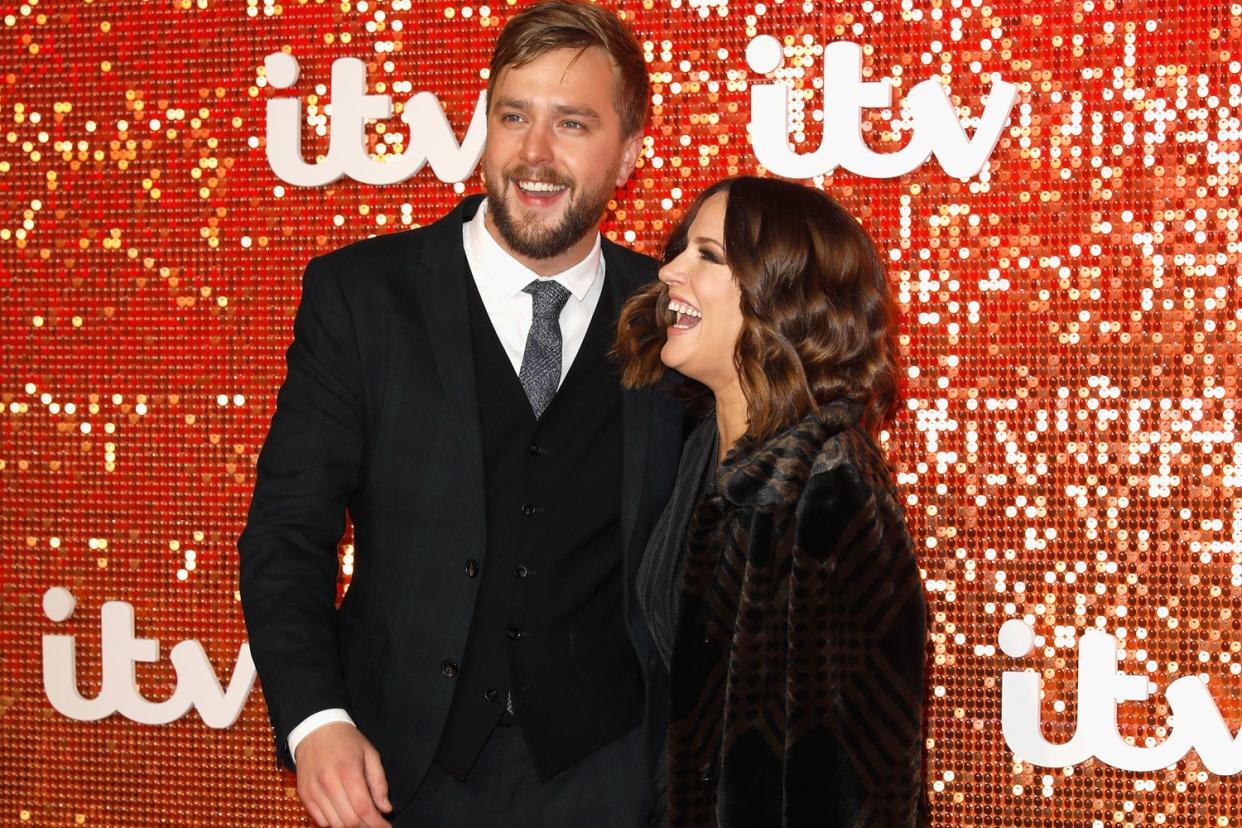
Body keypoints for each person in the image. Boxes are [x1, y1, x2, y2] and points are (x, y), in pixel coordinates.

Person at [237, 3, 684, 826]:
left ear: (630, 152)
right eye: (513, 115)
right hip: (401, 772)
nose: (535, 154)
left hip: (612, 779)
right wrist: (316, 721)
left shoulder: (674, 317)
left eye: (573, 123)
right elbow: (286, 534)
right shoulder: (362, 296)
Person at [614, 176, 928, 827]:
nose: (669, 268)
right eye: (682, 249)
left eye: (708, 254)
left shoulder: (826, 482)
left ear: (779, 298)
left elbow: (850, 782)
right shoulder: (707, 452)